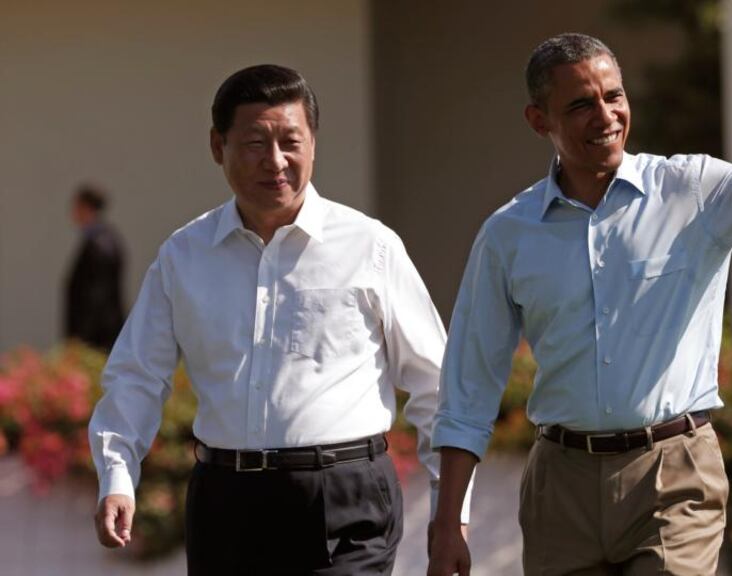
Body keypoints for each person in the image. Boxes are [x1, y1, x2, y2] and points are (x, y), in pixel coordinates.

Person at [428, 8, 732, 576]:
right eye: (581, 105)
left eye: (614, 96)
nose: (605, 116)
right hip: (559, 486)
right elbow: (468, 389)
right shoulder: (507, 234)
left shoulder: (693, 190)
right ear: (539, 120)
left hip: (674, 472)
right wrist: (447, 523)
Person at [88, 64, 468, 575]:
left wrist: (452, 514)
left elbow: (435, 385)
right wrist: (117, 476)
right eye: (254, 143)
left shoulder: (369, 246)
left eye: (291, 141)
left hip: (344, 501)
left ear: (313, 144)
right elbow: (137, 375)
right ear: (216, 146)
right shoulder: (184, 255)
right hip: (226, 501)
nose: (276, 161)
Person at [65, 184, 126, 350]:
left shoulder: (100, 244)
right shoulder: (103, 239)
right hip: (99, 332)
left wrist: (82, 336)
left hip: (98, 336)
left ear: (86, 208)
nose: (73, 212)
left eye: (76, 206)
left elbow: (97, 295)